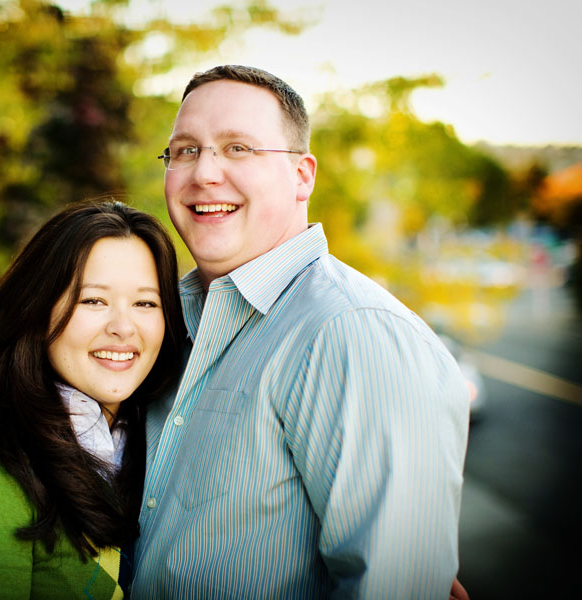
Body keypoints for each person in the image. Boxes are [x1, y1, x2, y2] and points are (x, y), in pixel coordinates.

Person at [131, 65, 471, 599]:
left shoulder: (353, 335)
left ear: (302, 175)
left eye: (238, 148)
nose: (204, 173)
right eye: (185, 150)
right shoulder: (169, 321)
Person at [0, 201, 186, 599]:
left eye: (145, 303)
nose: (123, 328)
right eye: (93, 300)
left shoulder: (157, 456)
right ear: (36, 310)